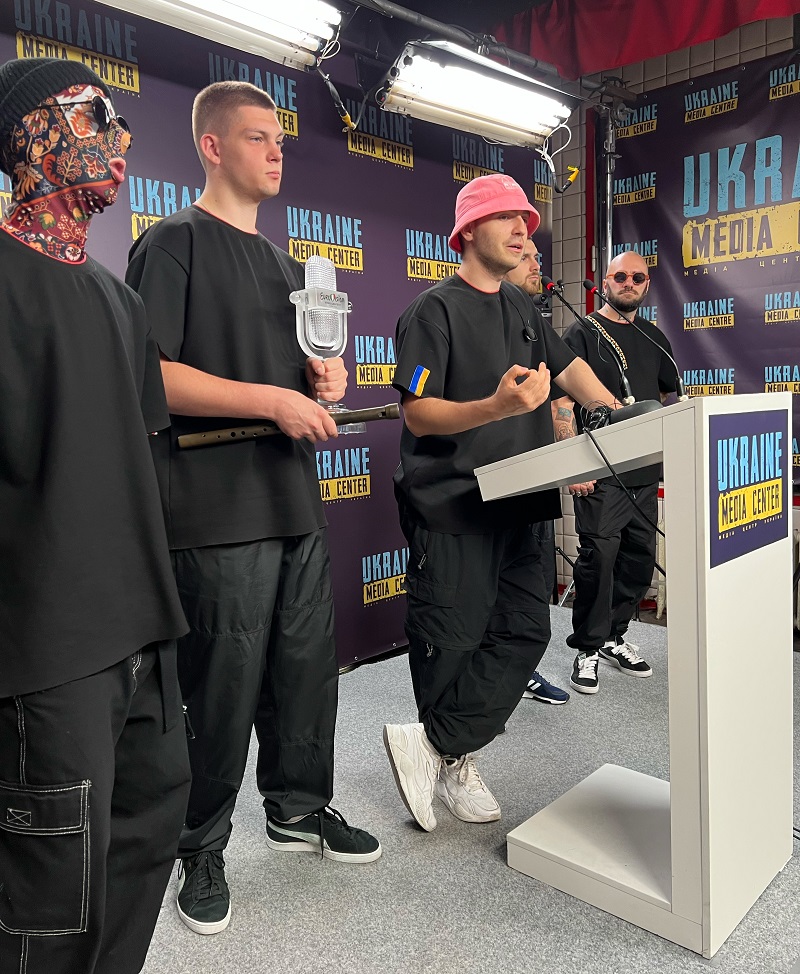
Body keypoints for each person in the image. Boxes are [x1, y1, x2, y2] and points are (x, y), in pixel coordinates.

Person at [125, 81, 380, 937]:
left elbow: (297, 376)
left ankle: (297, 809)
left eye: (280, 139)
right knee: (219, 689)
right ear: (211, 146)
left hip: (292, 501)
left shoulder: (286, 267)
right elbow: (152, 374)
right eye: (257, 137)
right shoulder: (173, 242)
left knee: (305, 674)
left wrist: (322, 380)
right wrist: (272, 402)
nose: (276, 152)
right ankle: (197, 846)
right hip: (213, 507)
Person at [0, 58, 191, 974]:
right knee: (49, 901)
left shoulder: (121, 301)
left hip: (143, 633)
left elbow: (138, 454)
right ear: (27, 136)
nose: (119, 136)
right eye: (91, 116)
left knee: (142, 843)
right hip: (45, 650)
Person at [382, 174, 619, 832]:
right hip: (454, 506)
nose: (523, 229)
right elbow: (419, 413)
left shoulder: (522, 308)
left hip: (522, 503)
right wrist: (496, 407)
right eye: (506, 217)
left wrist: (616, 410)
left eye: (527, 219)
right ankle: (456, 759)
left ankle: (435, 746)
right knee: (453, 641)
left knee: (525, 631)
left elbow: (568, 369)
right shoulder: (432, 311)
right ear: (467, 232)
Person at [555, 252, 677, 695]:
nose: (629, 283)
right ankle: (587, 647)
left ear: (647, 285)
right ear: (604, 282)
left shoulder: (655, 337)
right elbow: (562, 403)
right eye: (620, 276)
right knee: (599, 561)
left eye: (637, 278)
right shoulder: (582, 332)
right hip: (600, 472)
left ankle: (614, 637)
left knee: (638, 562)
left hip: (643, 472)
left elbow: (665, 399)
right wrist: (575, 464)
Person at [502, 235, 570, 706]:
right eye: (525, 256)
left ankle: (519, 672)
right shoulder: (452, 311)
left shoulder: (533, 318)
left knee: (530, 597)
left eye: (536, 256)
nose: (535, 264)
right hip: (483, 487)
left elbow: (563, 387)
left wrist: (611, 410)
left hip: (533, 481)